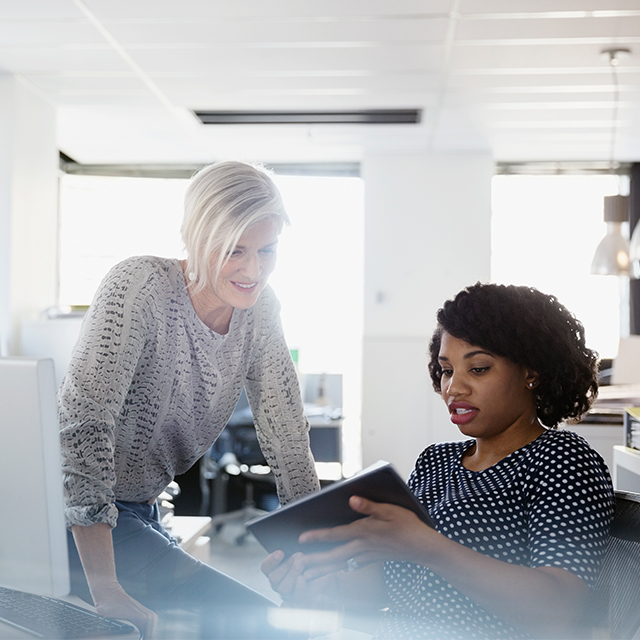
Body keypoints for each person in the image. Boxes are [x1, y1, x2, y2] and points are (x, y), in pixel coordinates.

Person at [262, 282, 615, 640]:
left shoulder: (562, 459)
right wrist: (318, 587)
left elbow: (560, 611)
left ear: (532, 372)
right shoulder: (435, 462)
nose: (454, 388)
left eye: (478, 369)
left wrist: (426, 547)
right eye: (446, 370)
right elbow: (385, 591)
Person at [58, 161, 320, 638]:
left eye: (268, 249)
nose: (253, 269)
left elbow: (287, 437)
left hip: (137, 508)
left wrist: (313, 557)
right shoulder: (140, 288)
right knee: (255, 623)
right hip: (71, 515)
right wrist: (104, 584)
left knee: (287, 622)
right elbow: (83, 426)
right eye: (234, 250)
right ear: (197, 238)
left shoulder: (261, 310)